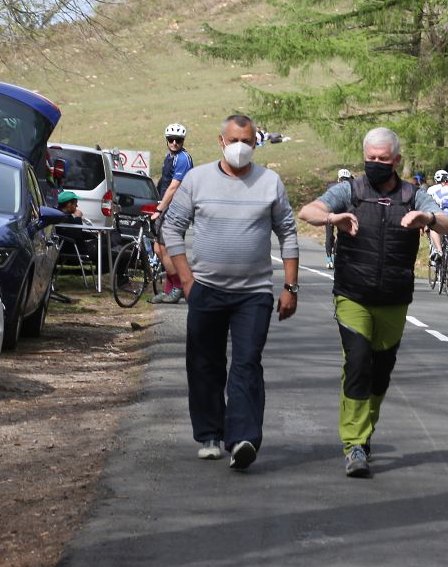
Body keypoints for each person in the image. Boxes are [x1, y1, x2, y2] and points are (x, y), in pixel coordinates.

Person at [296, 127, 448, 478]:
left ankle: (364, 433)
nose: (377, 164)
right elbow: (308, 210)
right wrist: (331, 217)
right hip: (352, 293)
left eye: (384, 159)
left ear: (397, 160)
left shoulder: (414, 195)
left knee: (380, 373)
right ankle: (353, 443)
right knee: (358, 362)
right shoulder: (350, 190)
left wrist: (426, 218)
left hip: (394, 297)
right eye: (371, 159)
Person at [160, 114, 299, 472]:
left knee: (247, 363)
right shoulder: (196, 179)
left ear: (256, 144)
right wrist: (186, 279)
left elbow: (288, 232)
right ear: (221, 141)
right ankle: (209, 434)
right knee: (204, 363)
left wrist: (290, 286)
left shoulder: (270, 182)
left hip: (254, 294)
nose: (241, 147)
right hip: (205, 289)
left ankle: (243, 439)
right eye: (235, 140)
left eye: (248, 141)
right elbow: (172, 227)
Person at [150, 123, 193, 304]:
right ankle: (170, 289)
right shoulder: (169, 157)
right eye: (171, 139)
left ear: (183, 141)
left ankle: (178, 287)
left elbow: (175, 186)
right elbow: (165, 183)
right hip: (166, 206)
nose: (174, 143)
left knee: (167, 248)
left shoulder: (183, 158)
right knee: (158, 248)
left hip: (177, 208)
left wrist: (160, 209)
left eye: (178, 140)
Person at [325, 168, 353, 270]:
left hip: (330, 213)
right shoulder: (351, 186)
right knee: (341, 234)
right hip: (343, 214)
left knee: (329, 235)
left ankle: (329, 259)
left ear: (338, 178)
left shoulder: (331, 186)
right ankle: (338, 255)